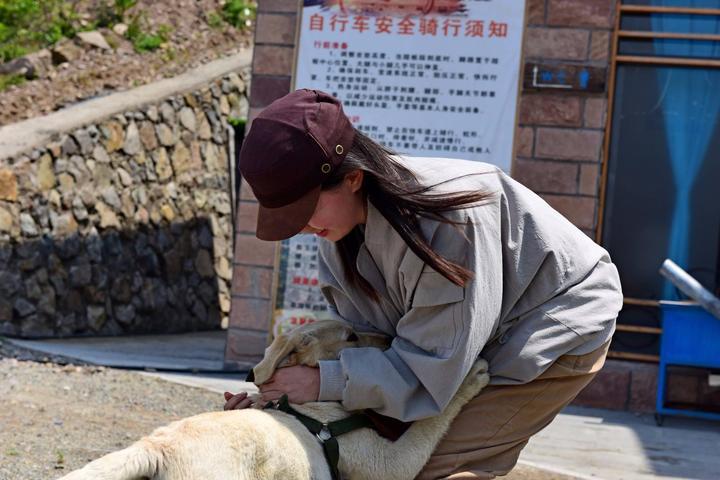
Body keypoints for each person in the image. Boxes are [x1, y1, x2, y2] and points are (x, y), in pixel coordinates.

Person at [223, 89, 623, 479]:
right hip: (458, 343)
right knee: (359, 441)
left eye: (306, 209)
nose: (304, 227)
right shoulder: (337, 232)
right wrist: (280, 399)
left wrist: (323, 381)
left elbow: (433, 364)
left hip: (553, 322)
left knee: (426, 464)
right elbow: (369, 342)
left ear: (353, 178)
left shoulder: (451, 220)